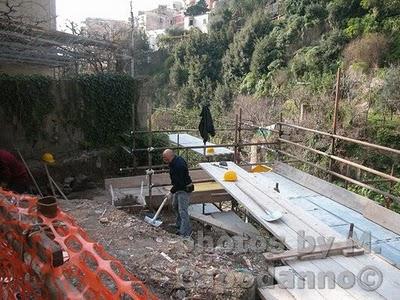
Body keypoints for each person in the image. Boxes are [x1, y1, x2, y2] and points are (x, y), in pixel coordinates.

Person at [162, 149, 194, 237]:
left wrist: (171, 192)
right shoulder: (173, 161)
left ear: (169, 157)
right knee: (175, 206)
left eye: (165, 158)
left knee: (183, 211)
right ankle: (179, 224)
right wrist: (173, 191)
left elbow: (179, 183)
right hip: (178, 187)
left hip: (184, 188)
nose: (163, 159)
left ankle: (185, 232)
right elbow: (177, 182)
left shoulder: (179, 165)